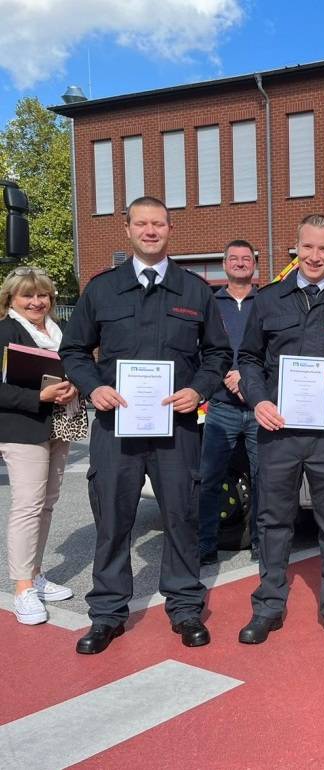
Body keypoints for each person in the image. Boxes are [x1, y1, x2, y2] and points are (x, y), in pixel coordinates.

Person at [59, 196, 231, 654]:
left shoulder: (195, 291)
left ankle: (186, 608)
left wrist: (199, 389)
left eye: (158, 224)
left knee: (181, 516)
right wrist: (93, 388)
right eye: (142, 224)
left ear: (170, 229)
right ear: (128, 230)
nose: (150, 231)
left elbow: (217, 354)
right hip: (116, 428)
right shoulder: (102, 290)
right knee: (114, 519)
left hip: (177, 430)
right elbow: (73, 350)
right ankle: (108, 613)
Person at [236, 214, 324, 647]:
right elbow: (248, 359)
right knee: (273, 520)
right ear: (295, 247)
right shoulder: (269, 300)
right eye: (308, 247)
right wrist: (259, 399)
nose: (315, 256)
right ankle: (268, 606)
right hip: (278, 429)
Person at [0, 267, 86, 625]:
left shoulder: (55, 331)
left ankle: (35, 574)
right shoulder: (5, 330)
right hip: (23, 429)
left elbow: (70, 368)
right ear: (11, 299)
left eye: (43, 295)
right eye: (27, 296)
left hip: (59, 422)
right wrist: (41, 395)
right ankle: (22, 589)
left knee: (47, 504)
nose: (37, 302)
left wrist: (74, 386)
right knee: (28, 506)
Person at [198, 239, 260, 566]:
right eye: (233, 258)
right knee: (210, 479)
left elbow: (273, 350)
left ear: (254, 265)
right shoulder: (210, 304)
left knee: (264, 478)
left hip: (258, 408)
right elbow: (202, 350)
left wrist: (248, 381)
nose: (239, 263)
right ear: (225, 265)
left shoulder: (266, 302)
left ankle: (262, 546)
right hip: (221, 408)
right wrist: (225, 376)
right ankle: (206, 545)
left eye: (245, 258)